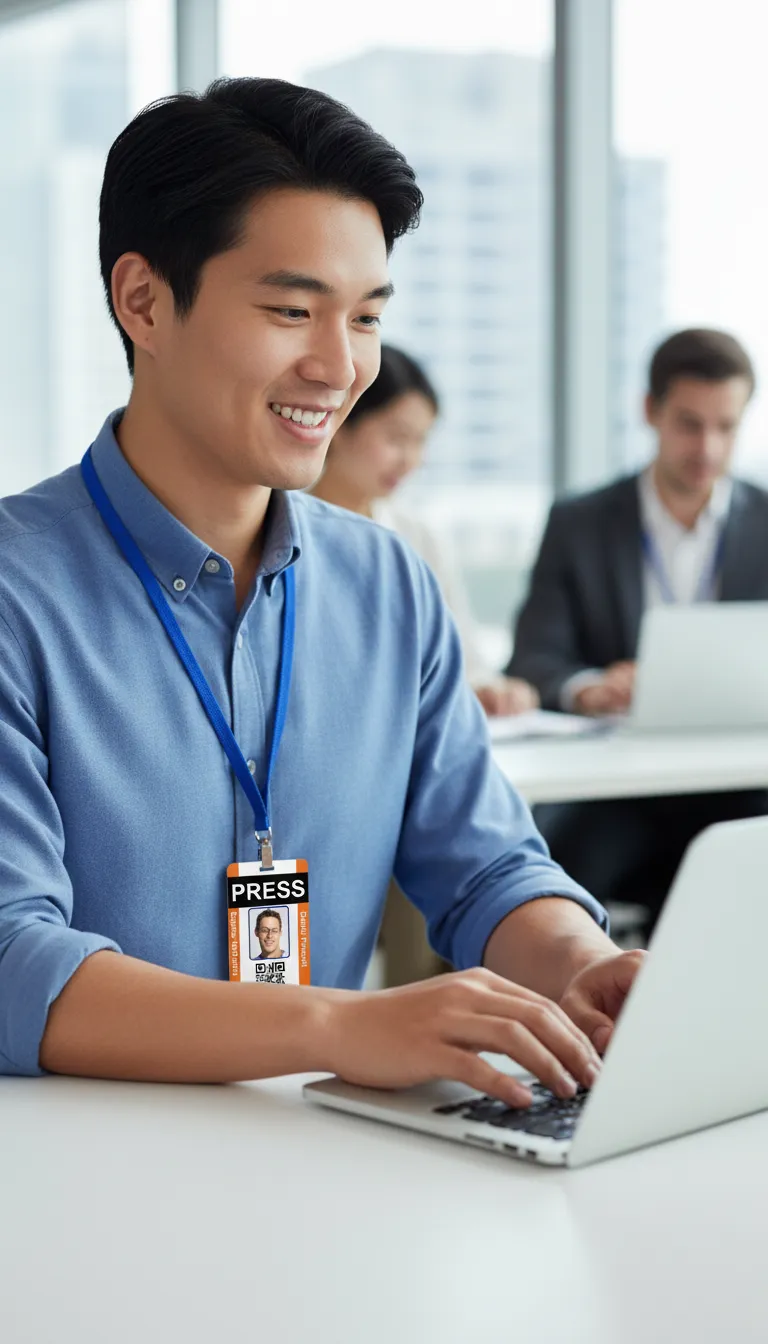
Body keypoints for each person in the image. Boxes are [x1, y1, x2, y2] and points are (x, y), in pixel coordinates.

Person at [0, 77, 643, 1107]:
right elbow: (10, 961)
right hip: (68, 1194)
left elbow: (484, 867)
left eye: (367, 317)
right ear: (144, 300)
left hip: (322, 1179)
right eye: (292, 310)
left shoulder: (390, 584)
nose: (339, 367)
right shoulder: (17, 591)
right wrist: (338, 1023)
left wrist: (578, 965)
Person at [507, 327, 768, 933]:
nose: (708, 447)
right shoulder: (581, 522)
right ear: (650, 412)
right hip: (617, 789)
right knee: (550, 879)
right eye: (689, 424)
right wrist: (589, 685)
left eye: (726, 427)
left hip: (737, 780)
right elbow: (536, 656)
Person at [312, 343, 539, 716]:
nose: (410, 460)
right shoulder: (280, 527)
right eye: (396, 439)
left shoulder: (416, 536)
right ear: (339, 423)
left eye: (420, 441)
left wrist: (496, 691)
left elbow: (466, 662)